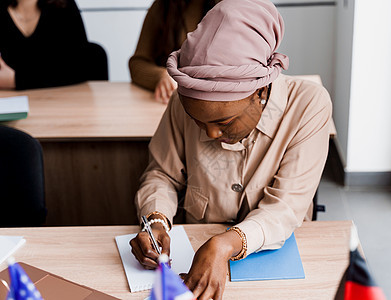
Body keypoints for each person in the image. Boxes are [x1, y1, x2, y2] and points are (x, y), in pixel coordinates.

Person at [130, 0, 332, 299]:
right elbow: (162, 173)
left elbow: (285, 208)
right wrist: (157, 218)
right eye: (197, 121)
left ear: (261, 91)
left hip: (274, 260)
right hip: (194, 251)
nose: (210, 133)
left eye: (224, 121)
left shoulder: (308, 105)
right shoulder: (181, 101)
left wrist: (225, 243)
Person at [0, 0, 107, 90]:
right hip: (9, 103)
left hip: (62, 101)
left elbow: (80, 66)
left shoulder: (63, 5)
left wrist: (16, 80)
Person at [129, 0, 218, 103]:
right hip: (169, 103)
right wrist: (161, 75)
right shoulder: (163, 6)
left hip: (215, 104)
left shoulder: (230, 7)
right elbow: (137, 63)